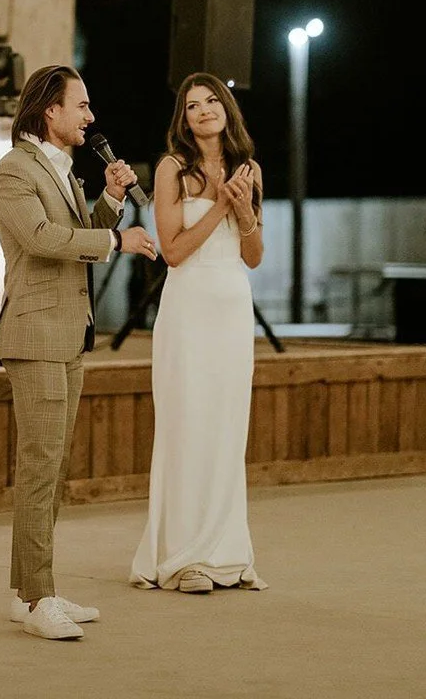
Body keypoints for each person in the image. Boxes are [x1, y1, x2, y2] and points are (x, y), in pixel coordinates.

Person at [0, 64, 158, 640]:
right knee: (39, 468)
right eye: (81, 106)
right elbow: (41, 239)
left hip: (67, 334)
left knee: (53, 468)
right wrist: (116, 238)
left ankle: (25, 592)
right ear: (49, 111)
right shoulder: (13, 170)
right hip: (34, 335)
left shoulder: (62, 170)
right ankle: (39, 599)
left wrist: (110, 203)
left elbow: (76, 243)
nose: (91, 117)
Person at [129, 72, 268, 594]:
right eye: (193, 105)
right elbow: (175, 251)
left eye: (212, 101)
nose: (204, 110)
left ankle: (228, 554)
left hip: (232, 310)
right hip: (188, 311)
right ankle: (184, 559)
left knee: (228, 429)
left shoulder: (248, 168)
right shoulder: (172, 169)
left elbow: (252, 255)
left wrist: (245, 208)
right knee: (188, 425)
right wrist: (221, 206)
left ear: (227, 109)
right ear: (183, 119)